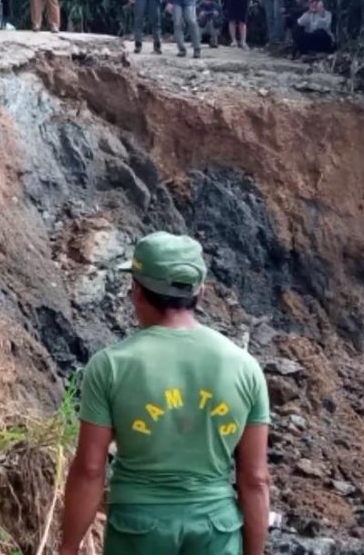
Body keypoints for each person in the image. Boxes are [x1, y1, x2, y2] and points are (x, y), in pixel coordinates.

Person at [59, 231, 271, 555]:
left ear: (137, 291)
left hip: (138, 529)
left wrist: (68, 547)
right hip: (216, 530)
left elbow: (90, 469)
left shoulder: (111, 366)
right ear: (200, 292)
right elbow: (254, 479)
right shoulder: (245, 368)